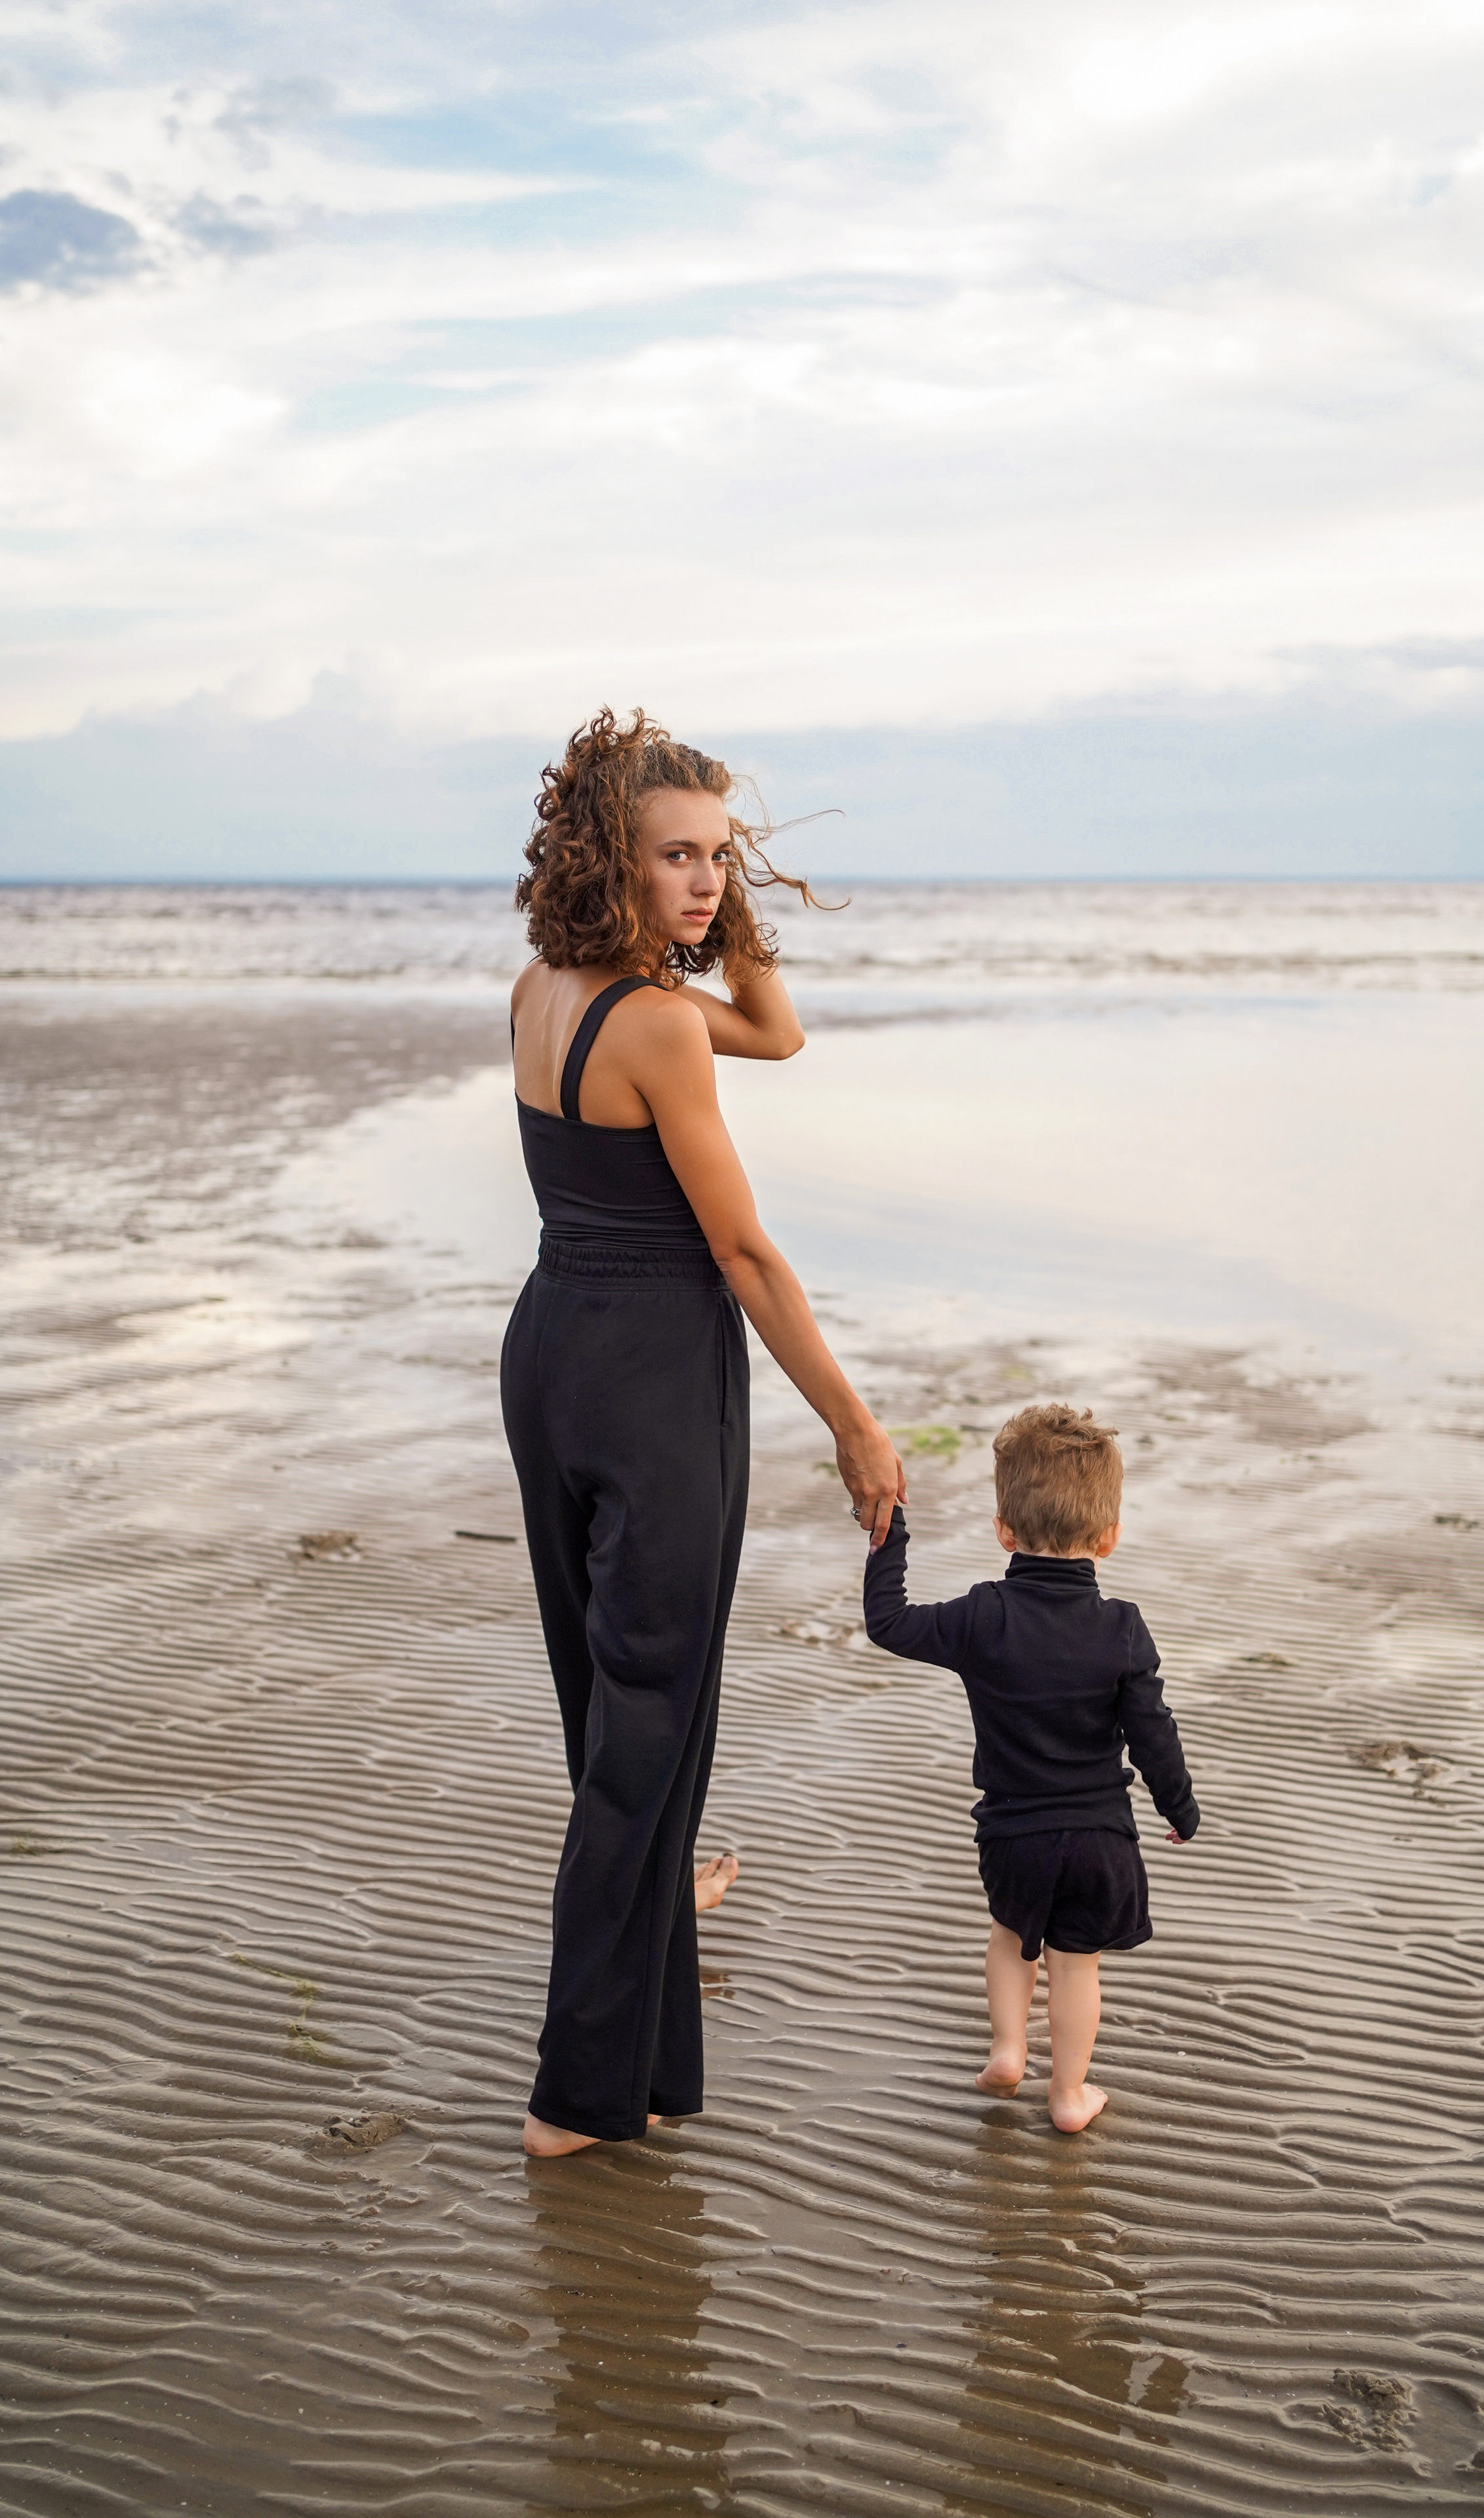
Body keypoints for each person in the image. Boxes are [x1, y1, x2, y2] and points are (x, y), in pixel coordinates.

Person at [502, 707, 904, 2159]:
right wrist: (855, 1428)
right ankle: (571, 2100)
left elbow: (777, 1034)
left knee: (609, 1711)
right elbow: (744, 1256)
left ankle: (653, 1934)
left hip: (550, 1349)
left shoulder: (542, 984)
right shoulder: (661, 1024)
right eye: (675, 857)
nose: (705, 886)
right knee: (646, 1724)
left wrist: (724, 905)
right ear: (609, 853)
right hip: (657, 1371)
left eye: (721, 861)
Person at [862, 1403, 1198, 2134]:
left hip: (1013, 1834)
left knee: (1013, 1936)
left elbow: (888, 1622)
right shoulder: (1122, 1629)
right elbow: (1153, 1733)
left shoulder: (981, 1616)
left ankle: (1010, 2050)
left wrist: (889, 1533)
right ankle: (1068, 2095)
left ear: (1004, 1532)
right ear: (1108, 1539)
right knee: (1078, 1965)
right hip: (1100, 1837)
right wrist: (1179, 1807)